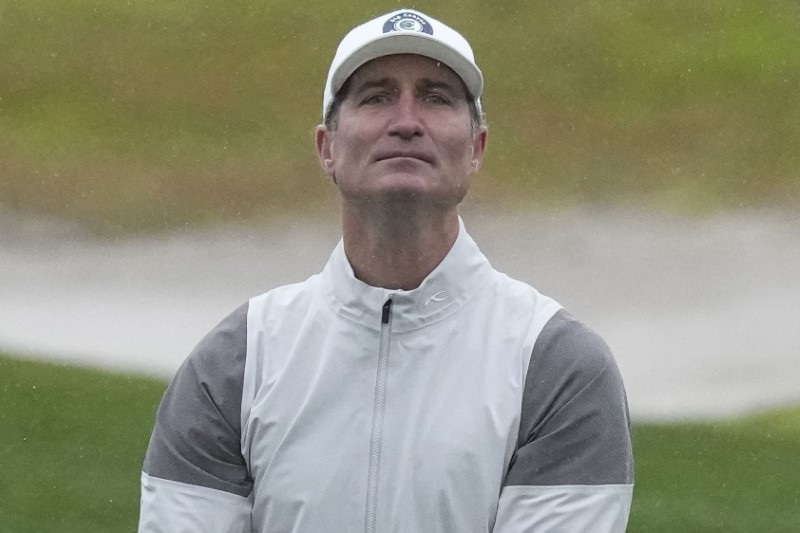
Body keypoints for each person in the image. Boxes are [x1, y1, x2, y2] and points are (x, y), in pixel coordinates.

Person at [138, 8, 634, 532]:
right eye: (375, 96)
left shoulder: (558, 368)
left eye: (436, 98)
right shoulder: (235, 364)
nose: (405, 122)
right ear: (326, 148)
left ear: (476, 149)